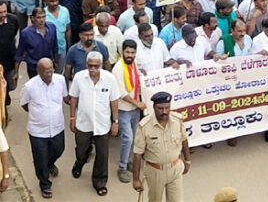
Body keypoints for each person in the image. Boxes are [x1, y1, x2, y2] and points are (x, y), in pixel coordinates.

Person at [69, 51, 120, 196]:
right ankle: (79, 163)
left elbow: (114, 101)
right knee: (81, 150)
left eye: (96, 66)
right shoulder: (79, 77)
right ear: (86, 65)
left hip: (103, 124)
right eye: (90, 66)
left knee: (102, 154)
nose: (93, 69)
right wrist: (72, 118)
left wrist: (115, 121)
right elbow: (73, 98)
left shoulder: (109, 79)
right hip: (83, 123)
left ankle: (99, 181)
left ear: (101, 65)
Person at [20, 58, 67, 199]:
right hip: (38, 130)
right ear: (38, 71)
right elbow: (24, 104)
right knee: (40, 158)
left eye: (51, 69)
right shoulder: (29, 86)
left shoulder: (60, 80)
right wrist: (39, 114)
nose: (50, 73)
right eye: (46, 71)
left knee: (59, 149)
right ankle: (45, 184)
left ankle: (49, 164)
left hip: (57, 127)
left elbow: (64, 97)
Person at [132, 92, 190, 202]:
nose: (164, 111)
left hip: (175, 168)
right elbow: (137, 154)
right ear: (153, 107)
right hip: (155, 171)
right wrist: (135, 179)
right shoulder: (144, 126)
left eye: (167, 108)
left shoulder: (177, 120)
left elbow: (184, 139)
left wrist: (187, 161)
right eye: (160, 108)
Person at [112, 39, 146, 183]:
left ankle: (128, 162)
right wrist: (137, 103)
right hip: (124, 109)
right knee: (128, 138)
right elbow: (121, 93)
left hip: (135, 110)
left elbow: (137, 82)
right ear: (122, 52)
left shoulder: (133, 64)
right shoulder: (118, 69)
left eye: (132, 52)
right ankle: (122, 168)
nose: (130, 55)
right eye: (127, 52)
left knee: (134, 138)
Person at [15, 7, 58, 79]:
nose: (41, 20)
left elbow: (55, 47)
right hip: (33, 67)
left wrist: (56, 62)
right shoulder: (26, 33)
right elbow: (19, 52)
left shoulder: (52, 28)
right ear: (32, 18)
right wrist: (16, 72)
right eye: (38, 17)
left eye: (43, 17)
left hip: (48, 65)